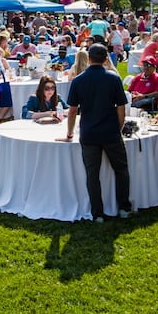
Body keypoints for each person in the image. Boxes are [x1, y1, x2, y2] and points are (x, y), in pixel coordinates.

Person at [60, 44, 131, 223]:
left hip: (89, 132)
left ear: (89, 58)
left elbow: (72, 110)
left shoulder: (78, 80)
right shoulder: (113, 78)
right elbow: (121, 108)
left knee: (93, 174)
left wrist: (69, 132)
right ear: (106, 58)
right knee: (121, 169)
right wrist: (119, 128)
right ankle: (123, 207)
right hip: (110, 131)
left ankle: (97, 213)